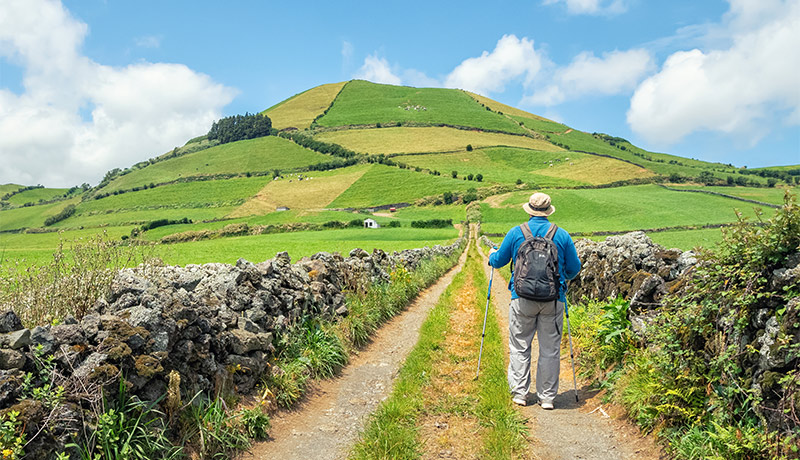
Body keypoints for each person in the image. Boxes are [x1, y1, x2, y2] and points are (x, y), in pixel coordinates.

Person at [488, 192, 581, 409]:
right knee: (550, 349)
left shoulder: (516, 232)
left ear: (529, 210)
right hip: (554, 299)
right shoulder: (562, 235)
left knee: (520, 346)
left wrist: (492, 254)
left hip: (521, 298)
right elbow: (574, 268)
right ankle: (547, 397)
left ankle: (520, 394)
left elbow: (499, 260)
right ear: (548, 211)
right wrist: (561, 279)